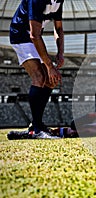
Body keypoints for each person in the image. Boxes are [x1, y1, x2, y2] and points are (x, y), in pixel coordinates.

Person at [9, 0, 65, 139]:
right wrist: (50, 66)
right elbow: (34, 35)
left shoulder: (59, 0)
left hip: (33, 37)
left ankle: (35, 126)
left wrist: (60, 53)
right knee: (39, 77)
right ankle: (37, 128)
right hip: (21, 35)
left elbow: (58, 29)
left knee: (51, 81)